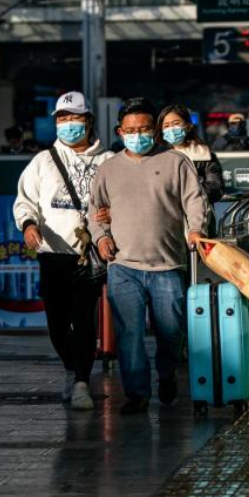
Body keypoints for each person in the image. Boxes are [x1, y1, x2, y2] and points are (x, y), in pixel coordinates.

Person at [90, 98, 207, 415]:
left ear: (155, 130)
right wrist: (101, 239)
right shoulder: (108, 169)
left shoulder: (175, 162)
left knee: (171, 333)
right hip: (123, 267)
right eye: (130, 130)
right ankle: (137, 393)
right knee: (129, 335)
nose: (137, 134)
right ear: (119, 131)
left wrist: (196, 230)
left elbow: (195, 202)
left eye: (143, 129)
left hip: (167, 265)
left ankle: (167, 373)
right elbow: (95, 212)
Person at [13, 91, 114, 411]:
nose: (68, 124)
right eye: (63, 119)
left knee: (84, 319)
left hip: (89, 253)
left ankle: (82, 380)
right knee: (57, 323)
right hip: (52, 253)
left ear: (89, 121)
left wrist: (113, 215)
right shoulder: (43, 161)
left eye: (75, 118)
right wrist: (28, 225)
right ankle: (72, 369)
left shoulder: (109, 161)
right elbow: (24, 200)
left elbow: (123, 199)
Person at [158, 105, 224, 206]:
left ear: (188, 126)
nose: (171, 129)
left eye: (176, 124)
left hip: (197, 215)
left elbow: (215, 188)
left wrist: (188, 196)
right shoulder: (156, 156)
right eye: (166, 126)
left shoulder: (203, 154)